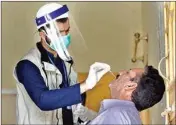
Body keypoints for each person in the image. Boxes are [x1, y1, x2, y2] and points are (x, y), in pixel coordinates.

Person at [13, 3, 110, 125]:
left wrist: (98, 119)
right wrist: (85, 85)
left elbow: (73, 107)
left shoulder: (66, 61)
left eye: (67, 31)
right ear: (43, 35)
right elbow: (43, 100)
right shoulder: (27, 65)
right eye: (59, 33)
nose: (65, 36)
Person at [88, 66, 165, 124]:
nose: (121, 72)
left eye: (127, 73)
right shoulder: (126, 116)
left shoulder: (118, 116)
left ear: (130, 86)